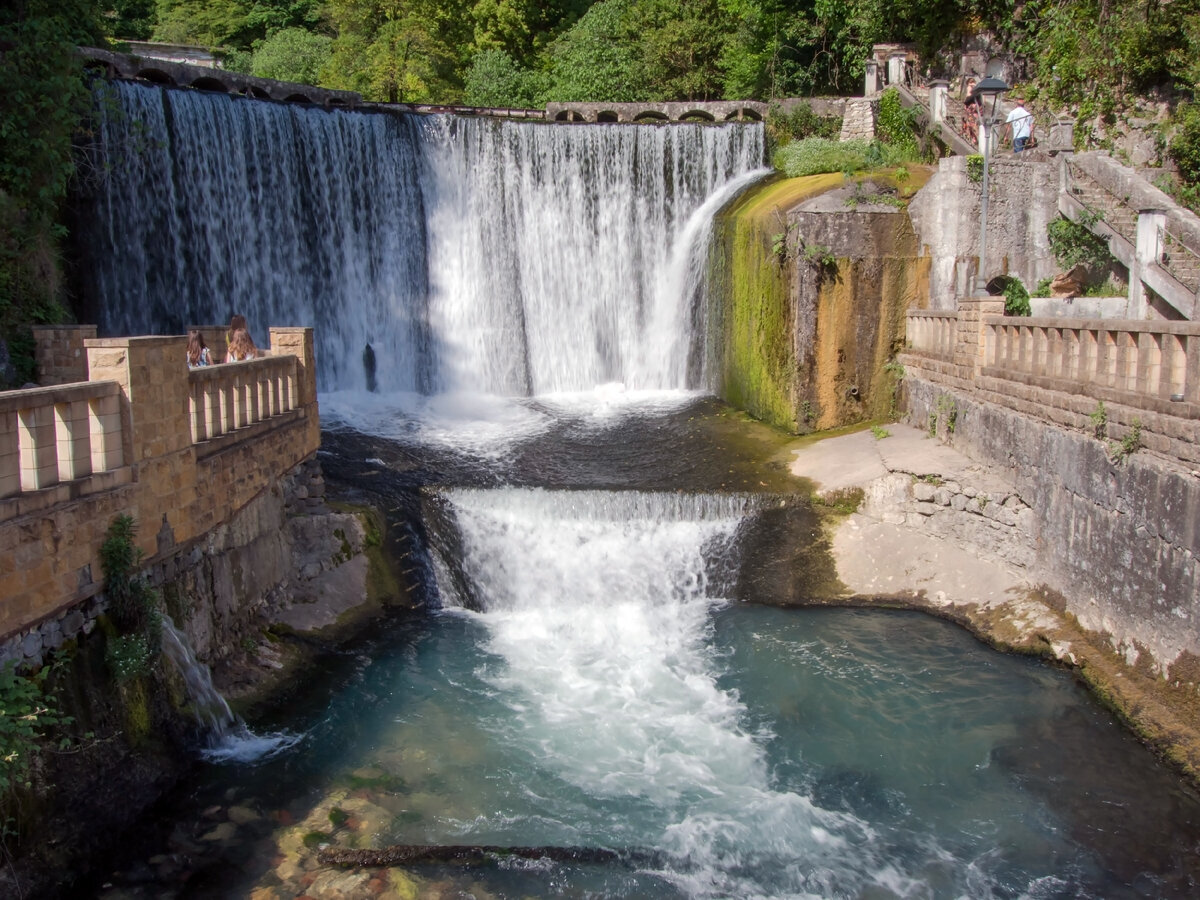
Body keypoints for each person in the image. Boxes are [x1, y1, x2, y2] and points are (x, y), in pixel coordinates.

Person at [962, 78, 979, 145]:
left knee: (969, 123)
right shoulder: (977, 87)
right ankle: (976, 138)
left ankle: (972, 138)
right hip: (977, 106)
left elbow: (968, 96)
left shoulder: (969, 87)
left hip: (970, 105)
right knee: (975, 122)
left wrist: (965, 104)